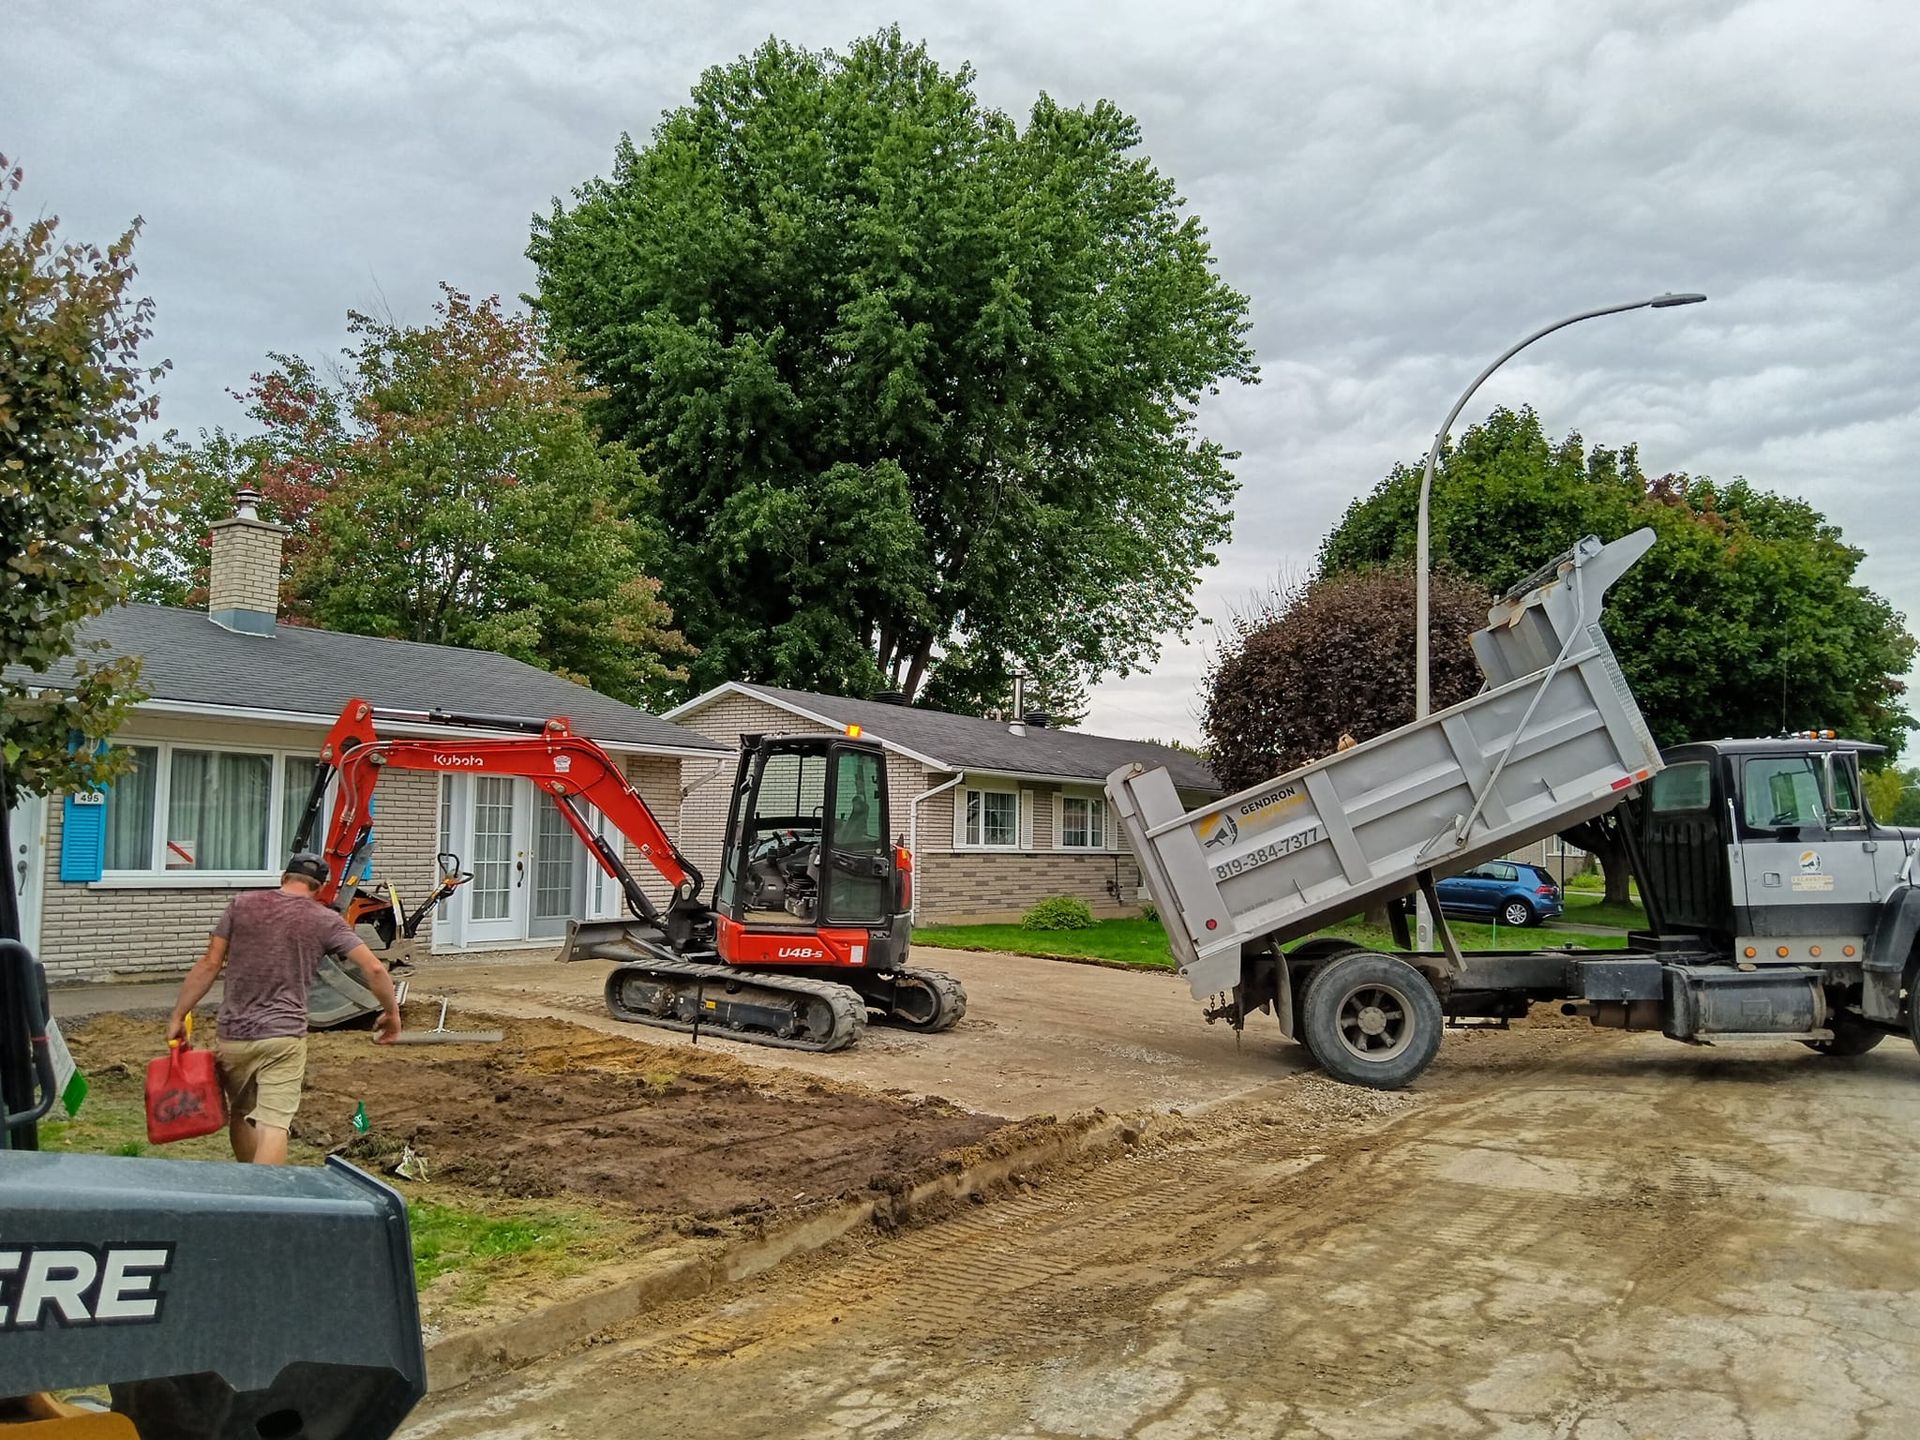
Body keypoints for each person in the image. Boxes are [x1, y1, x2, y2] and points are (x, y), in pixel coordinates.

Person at [166, 853, 402, 1164]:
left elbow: (210, 964)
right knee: (273, 1124)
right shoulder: (325, 919)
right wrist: (392, 1013)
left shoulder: (242, 906)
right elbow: (374, 970)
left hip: (233, 1035)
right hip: (283, 1038)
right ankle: (269, 1203)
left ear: (283, 877)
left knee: (241, 1114)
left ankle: (251, 1188)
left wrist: (178, 1016)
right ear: (319, 889)